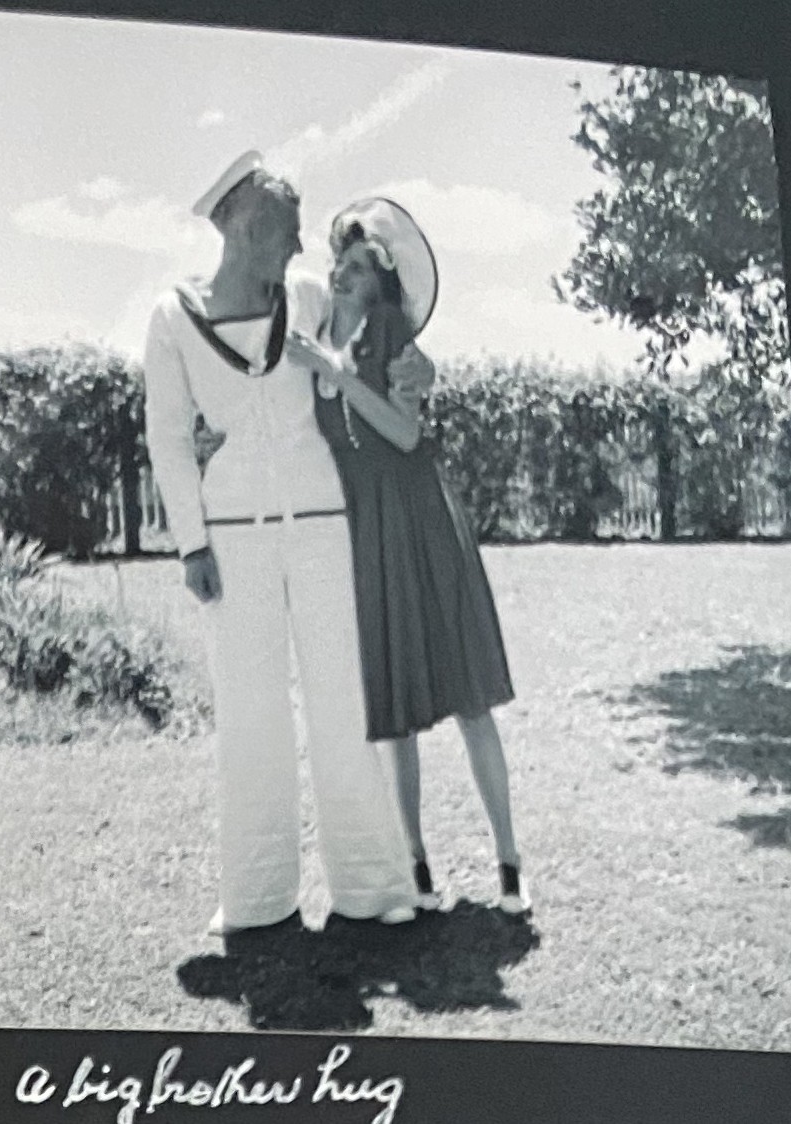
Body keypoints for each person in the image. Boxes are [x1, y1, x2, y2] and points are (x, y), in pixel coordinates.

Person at [143, 154, 433, 938]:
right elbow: (169, 440)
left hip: (323, 525)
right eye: (287, 228)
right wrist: (190, 544)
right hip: (231, 540)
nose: (301, 247)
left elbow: (374, 337)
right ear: (242, 224)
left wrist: (412, 363)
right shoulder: (172, 317)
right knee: (250, 715)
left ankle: (371, 889)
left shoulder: (307, 298)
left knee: (343, 704)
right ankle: (257, 896)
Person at [285, 198, 532, 915]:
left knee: (468, 695)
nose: (343, 274)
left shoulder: (389, 336)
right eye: (341, 261)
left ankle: (510, 863)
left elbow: (401, 435)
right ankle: (414, 865)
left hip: (422, 519)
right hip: (364, 531)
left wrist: (335, 370)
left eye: (360, 268)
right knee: (393, 706)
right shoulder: (307, 338)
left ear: (380, 285)